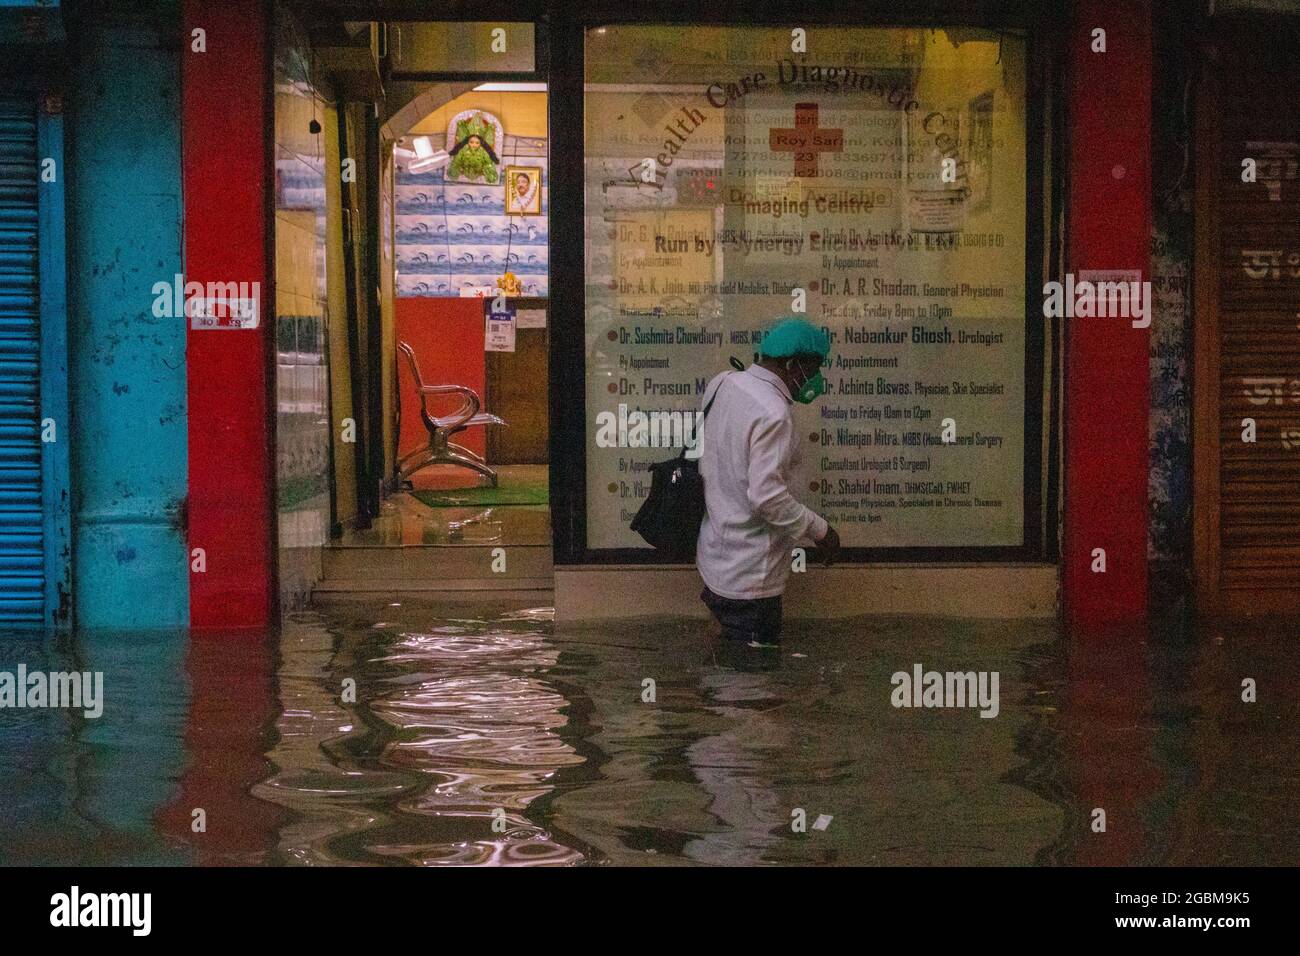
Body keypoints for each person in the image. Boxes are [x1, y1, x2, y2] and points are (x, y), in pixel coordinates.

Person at [695, 316, 841, 645]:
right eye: (813, 368)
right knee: (753, 686)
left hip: (715, 558)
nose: (816, 378)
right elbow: (768, 499)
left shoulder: (723, 384)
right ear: (791, 364)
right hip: (750, 578)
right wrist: (821, 530)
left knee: (723, 658)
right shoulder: (773, 412)